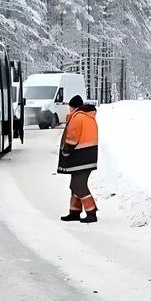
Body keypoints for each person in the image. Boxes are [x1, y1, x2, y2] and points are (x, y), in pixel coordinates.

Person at [57, 95, 99, 223]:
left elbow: (72, 136)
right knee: (75, 185)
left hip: (80, 157)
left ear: (72, 106)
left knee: (78, 185)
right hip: (88, 155)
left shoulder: (77, 117)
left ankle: (91, 212)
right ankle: (74, 212)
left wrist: (66, 150)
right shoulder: (88, 116)